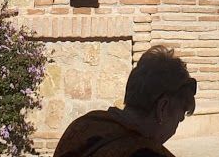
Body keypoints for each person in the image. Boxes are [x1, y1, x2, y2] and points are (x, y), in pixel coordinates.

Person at [54, 44, 197, 157]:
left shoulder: (83, 125)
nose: (174, 131)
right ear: (162, 108)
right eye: (179, 119)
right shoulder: (147, 153)